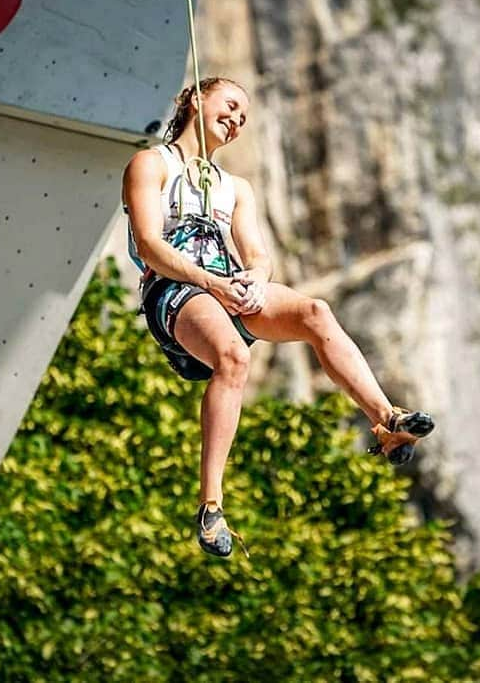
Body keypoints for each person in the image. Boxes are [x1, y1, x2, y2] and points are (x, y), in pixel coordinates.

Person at [121, 77, 435, 557]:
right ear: (193, 99)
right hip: (175, 289)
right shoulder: (151, 164)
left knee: (315, 312)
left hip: (227, 287)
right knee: (233, 358)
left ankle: (386, 420)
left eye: (244, 118)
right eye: (229, 107)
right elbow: (148, 244)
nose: (236, 120)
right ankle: (211, 504)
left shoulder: (235, 188)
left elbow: (258, 254)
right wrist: (213, 284)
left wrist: (252, 278)